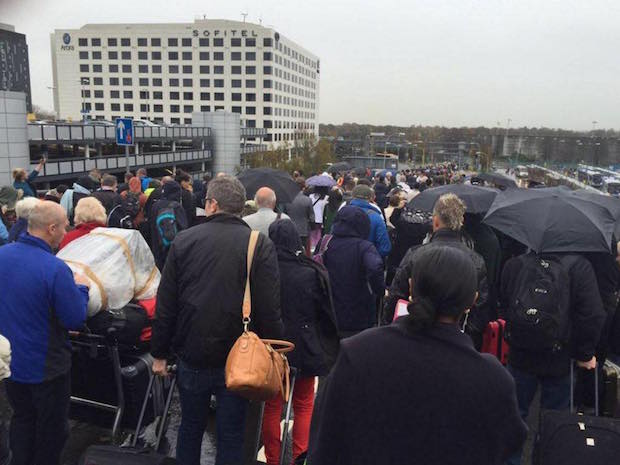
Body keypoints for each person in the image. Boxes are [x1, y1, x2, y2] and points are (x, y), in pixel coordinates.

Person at [307, 246, 527, 465]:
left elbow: (325, 443)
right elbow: (506, 446)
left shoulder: (357, 353)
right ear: (472, 301)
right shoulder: (493, 381)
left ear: (411, 287)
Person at [151, 175, 283, 465]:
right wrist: (274, 350)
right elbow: (269, 306)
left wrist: (159, 352)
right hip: (240, 355)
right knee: (232, 433)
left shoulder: (184, 240)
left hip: (192, 350)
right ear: (240, 207)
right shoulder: (258, 244)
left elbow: (167, 303)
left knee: (190, 427)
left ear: (211, 204)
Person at [0, 201, 90, 465]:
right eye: (64, 227)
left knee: (22, 419)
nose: (66, 232)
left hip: (10, 363)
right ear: (51, 228)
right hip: (46, 367)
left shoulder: (2, 255)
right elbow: (75, 318)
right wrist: (82, 288)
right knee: (51, 432)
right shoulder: (55, 268)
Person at [500, 249, 606, 465]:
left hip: (520, 354)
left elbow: (504, 300)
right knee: (555, 423)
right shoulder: (580, 267)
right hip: (559, 358)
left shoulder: (517, 264)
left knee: (514, 416)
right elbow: (592, 315)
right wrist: (585, 353)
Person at [263, 219, 339, 465]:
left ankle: (272, 459)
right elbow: (323, 313)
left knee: (272, 405)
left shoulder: (264, 270)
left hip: (272, 345)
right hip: (304, 344)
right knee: (304, 404)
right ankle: (300, 456)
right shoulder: (310, 272)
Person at [384, 194, 490, 342]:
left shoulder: (415, 254)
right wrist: (469, 340)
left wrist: (391, 328)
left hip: (416, 334)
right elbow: (480, 309)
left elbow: (396, 296)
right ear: (461, 222)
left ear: (435, 221)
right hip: (455, 337)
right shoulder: (476, 261)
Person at [317, 206, 384, 337]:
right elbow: (374, 267)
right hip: (358, 313)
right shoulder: (365, 247)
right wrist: (379, 290)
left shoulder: (325, 242)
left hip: (328, 310)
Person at [149, 180, 188, 270]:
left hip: (158, 250)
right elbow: (183, 229)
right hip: (174, 252)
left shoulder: (155, 205)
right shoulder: (176, 206)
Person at [349, 185, 391, 258]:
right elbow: (385, 247)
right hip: (367, 260)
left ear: (352, 196)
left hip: (344, 260)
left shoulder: (342, 213)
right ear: (370, 198)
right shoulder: (376, 217)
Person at [283, 177, 315, 251]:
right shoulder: (308, 200)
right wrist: (312, 227)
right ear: (303, 187)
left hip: (290, 230)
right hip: (304, 231)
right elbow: (312, 218)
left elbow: (284, 214)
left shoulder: (287, 200)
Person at [308, 186, 329, 250]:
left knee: (312, 234)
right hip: (320, 218)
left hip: (312, 218)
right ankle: (317, 247)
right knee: (318, 234)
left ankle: (311, 247)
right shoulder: (326, 197)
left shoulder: (311, 196)